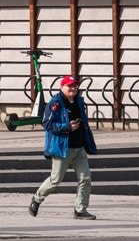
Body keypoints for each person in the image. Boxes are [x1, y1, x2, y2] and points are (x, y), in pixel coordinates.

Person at [29, 75, 98, 219]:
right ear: (62, 87)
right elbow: (47, 124)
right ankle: (37, 198)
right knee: (55, 180)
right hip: (62, 148)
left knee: (85, 178)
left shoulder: (79, 102)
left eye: (75, 86)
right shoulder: (55, 103)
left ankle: (80, 210)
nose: (73, 89)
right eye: (69, 86)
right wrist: (66, 127)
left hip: (79, 148)